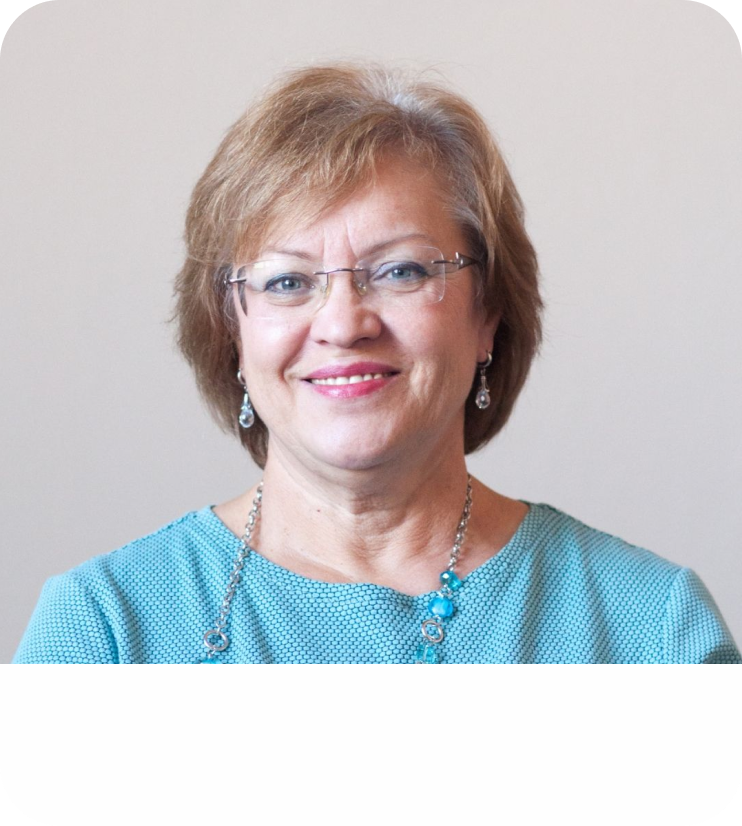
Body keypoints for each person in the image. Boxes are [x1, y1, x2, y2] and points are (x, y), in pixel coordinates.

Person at [13, 63, 740, 665]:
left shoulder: (653, 630)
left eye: (400, 272)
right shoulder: (103, 630)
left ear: (488, 315)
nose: (343, 324)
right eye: (287, 281)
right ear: (231, 334)